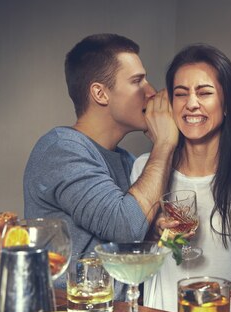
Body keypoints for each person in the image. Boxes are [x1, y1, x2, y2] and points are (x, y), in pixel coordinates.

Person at [129, 44, 231, 312]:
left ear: (227, 104)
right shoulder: (146, 169)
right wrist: (152, 233)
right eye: (180, 94)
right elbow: (128, 255)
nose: (191, 104)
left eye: (204, 93)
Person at [23, 34, 179, 261]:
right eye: (137, 81)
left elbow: (132, 243)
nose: (151, 92)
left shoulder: (127, 161)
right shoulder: (60, 149)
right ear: (100, 93)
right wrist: (164, 143)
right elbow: (125, 227)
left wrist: (154, 230)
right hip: (72, 297)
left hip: (120, 298)